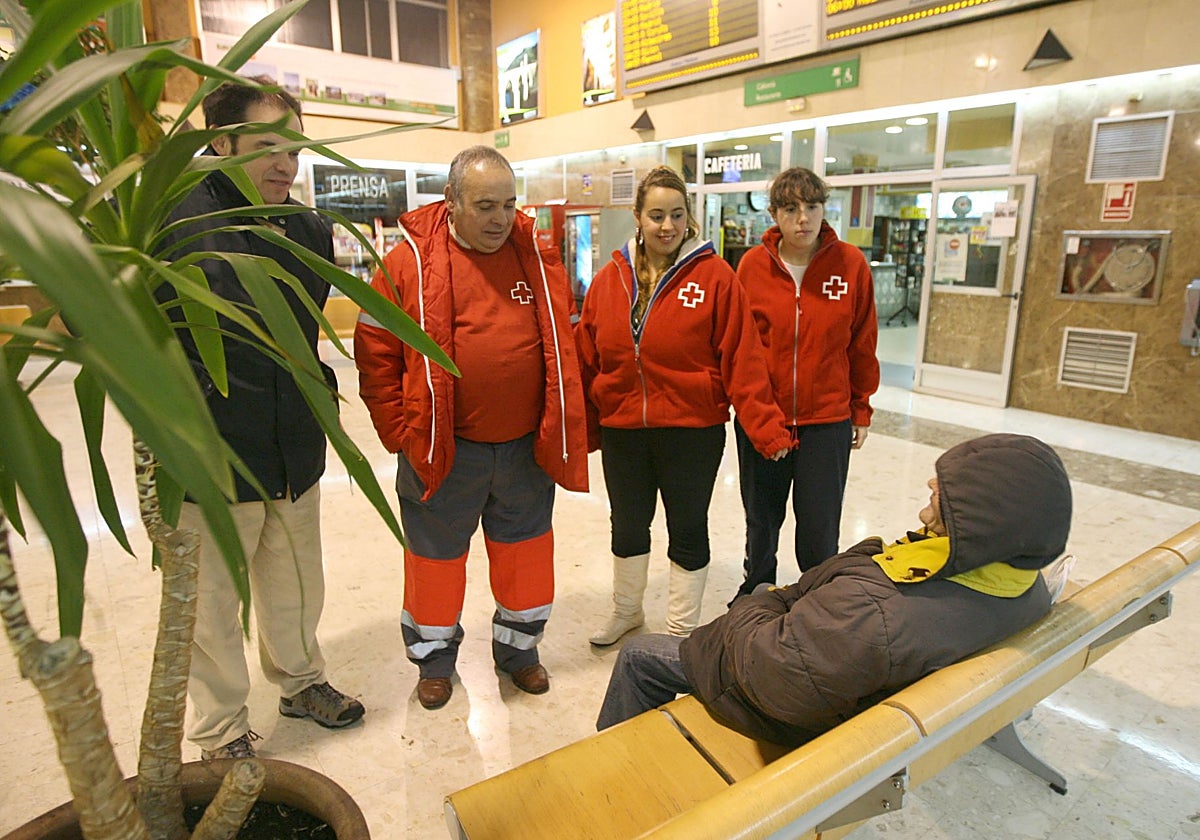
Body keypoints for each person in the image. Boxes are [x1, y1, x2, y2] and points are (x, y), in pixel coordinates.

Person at [596, 433, 1073, 747]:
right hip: (842, 677)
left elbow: (773, 672)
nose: (931, 486)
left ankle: (614, 768)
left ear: (982, 525)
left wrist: (758, 603)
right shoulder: (1022, 583)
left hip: (790, 706)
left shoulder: (874, 612)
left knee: (640, 656)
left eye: (946, 494)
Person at [155, 78, 364, 761]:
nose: (285, 163)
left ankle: (302, 683)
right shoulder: (173, 220)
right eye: (268, 146)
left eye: (295, 148)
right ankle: (220, 731)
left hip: (294, 444)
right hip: (210, 453)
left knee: (297, 583)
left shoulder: (308, 229)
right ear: (221, 143)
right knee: (211, 605)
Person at [354, 145, 588, 710]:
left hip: (523, 452)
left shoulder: (535, 255)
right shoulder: (407, 264)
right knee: (434, 564)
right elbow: (375, 352)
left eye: (508, 205)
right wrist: (400, 433)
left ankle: (520, 653)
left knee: (525, 559)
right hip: (443, 452)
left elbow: (563, 338)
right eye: (485, 206)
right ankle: (434, 662)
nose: (500, 219)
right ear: (451, 201)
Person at [576, 166, 793, 647]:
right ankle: (627, 612)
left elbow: (743, 358)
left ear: (689, 217)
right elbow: (586, 359)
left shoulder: (715, 277)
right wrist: (584, 428)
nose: (667, 225)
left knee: (688, 527)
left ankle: (680, 630)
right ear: (637, 216)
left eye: (677, 214)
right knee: (627, 526)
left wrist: (766, 428)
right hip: (624, 430)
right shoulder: (610, 280)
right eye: (656, 215)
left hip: (692, 431)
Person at [731, 167, 880, 600]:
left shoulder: (850, 265)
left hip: (826, 421)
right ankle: (757, 590)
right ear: (774, 214)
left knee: (820, 525)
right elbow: (742, 350)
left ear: (823, 209)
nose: (803, 219)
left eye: (812, 207)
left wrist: (861, 407)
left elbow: (862, 342)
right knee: (762, 519)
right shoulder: (752, 266)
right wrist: (759, 418)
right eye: (791, 209)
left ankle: (817, 599)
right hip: (765, 418)